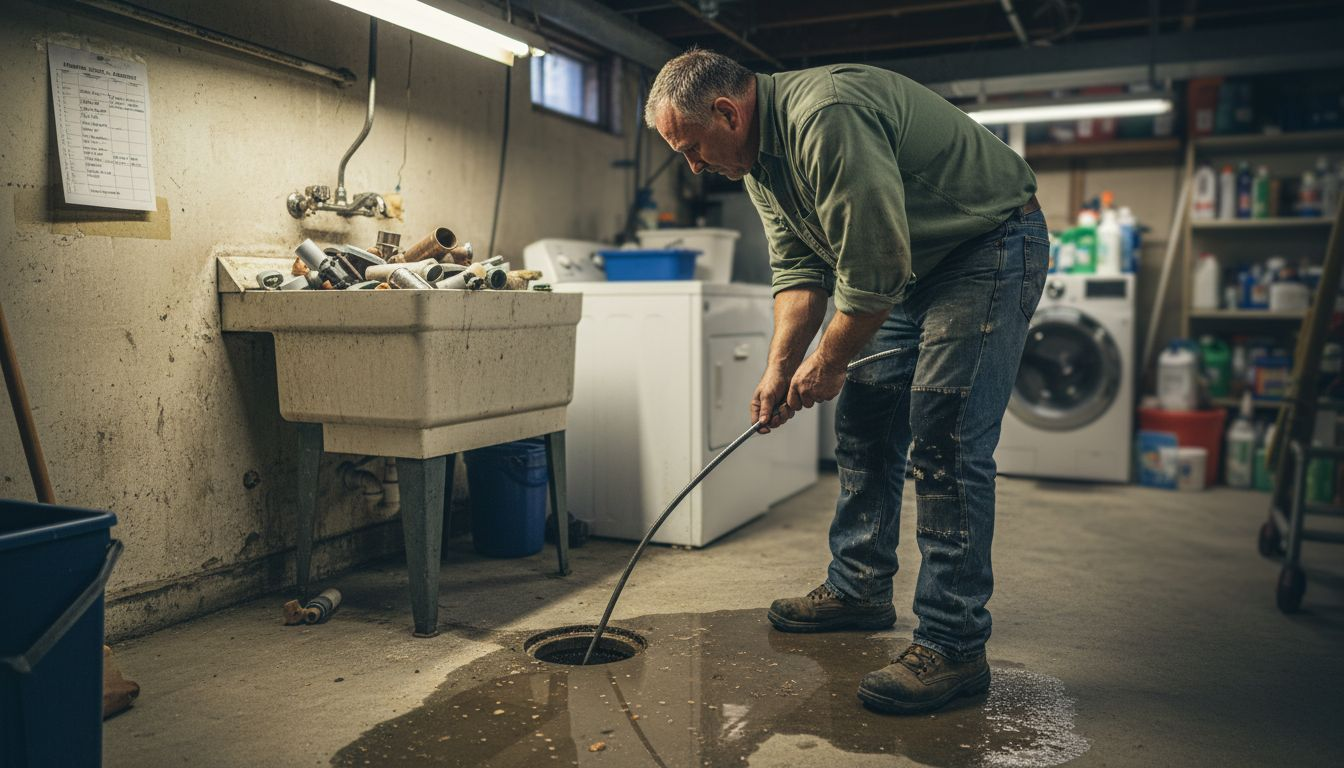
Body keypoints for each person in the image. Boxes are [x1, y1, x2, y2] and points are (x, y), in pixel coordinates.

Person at [644, 50, 1046, 715]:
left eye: (692, 148)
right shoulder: (755, 163)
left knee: (944, 439)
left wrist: (826, 362)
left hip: (986, 247)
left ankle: (953, 644)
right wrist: (778, 369)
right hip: (909, 270)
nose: (693, 166)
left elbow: (873, 272)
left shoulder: (825, 116)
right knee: (864, 424)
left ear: (727, 112)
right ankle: (859, 586)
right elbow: (800, 272)